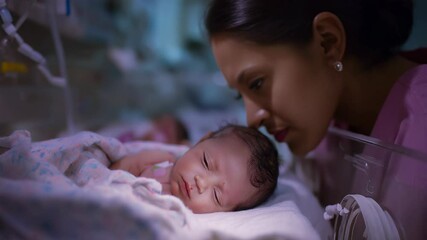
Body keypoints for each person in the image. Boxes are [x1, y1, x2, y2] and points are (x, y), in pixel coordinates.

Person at [204, 0, 427, 238]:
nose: (252, 119)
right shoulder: (326, 117)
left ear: (327, 42)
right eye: (241, 96)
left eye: (257, 83)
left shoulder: (420, 120)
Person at [110, 124, 279, 214]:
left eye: (216, 196)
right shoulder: (160, 160)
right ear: (201, 141)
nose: (201, 183)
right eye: (205, 162)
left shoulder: (184, 216)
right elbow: (114, 171)